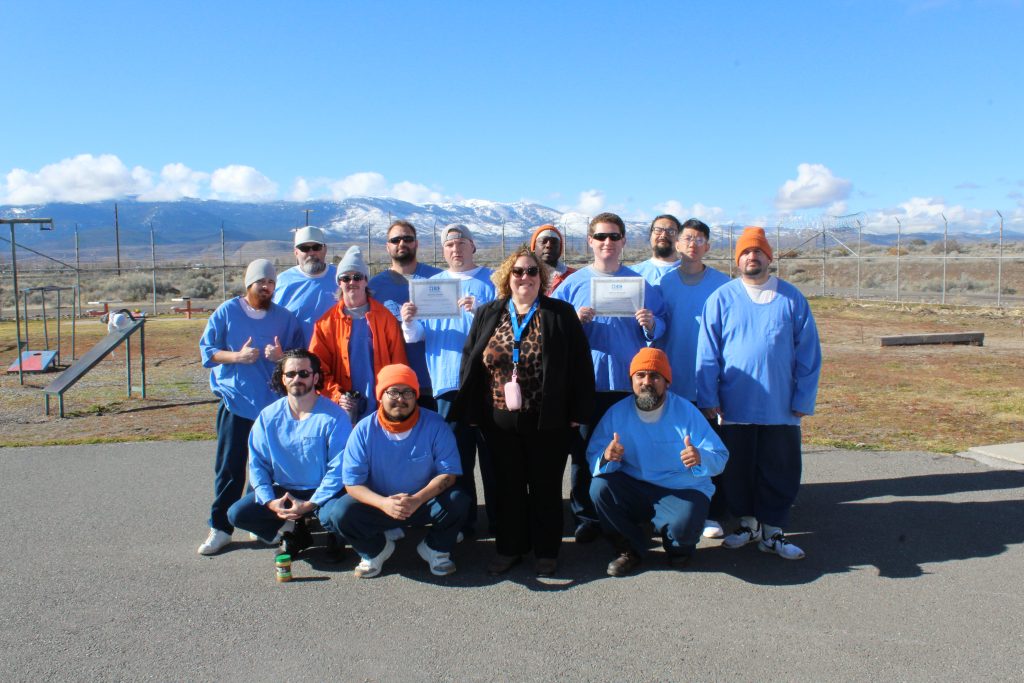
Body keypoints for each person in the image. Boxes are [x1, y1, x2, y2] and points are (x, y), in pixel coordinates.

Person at [453, 246, 595, 577]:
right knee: (507, 487)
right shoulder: (489, 313)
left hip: (549, 419)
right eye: (518, 271)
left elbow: (580, 365)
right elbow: (470, 360)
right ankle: (509, 548)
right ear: (507, 277)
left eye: (532, 271)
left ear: (541, 278)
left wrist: (578, 410)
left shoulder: (560, 314)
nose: (525, 277)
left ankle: (546, 551)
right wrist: (472, 409)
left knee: (545, 486)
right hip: (498, 420)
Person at [696, 226, 822, 560]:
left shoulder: (791, 297)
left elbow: (809, 353)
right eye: (746, 252)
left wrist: (803, 398)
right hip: (735, 405)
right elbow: (708, 353)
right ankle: (748, 525)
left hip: (781, 406)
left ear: (770, 257)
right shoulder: (722, 298)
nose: (753, 257)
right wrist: (708, 396)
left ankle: (774, 532)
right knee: (738, 470)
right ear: (738, 260)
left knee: (779, 468)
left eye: (759, 252)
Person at [551, 212, 667, 544]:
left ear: (623, 241)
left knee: (631, 449)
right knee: (586, 451)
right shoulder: (572, 285)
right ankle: (586, 515)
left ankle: (627, 511)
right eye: (601, 236)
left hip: (629, 384)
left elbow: (663, 326)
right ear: (590, 241)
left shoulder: (640, 284)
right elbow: (551, 331)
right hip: (588, 383)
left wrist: (650, 323)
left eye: (614, 237)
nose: (607, 243)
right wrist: (573, 320)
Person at [319, 364, 469, 578]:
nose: (401, 398)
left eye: (408, 392)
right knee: (340, 513)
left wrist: (416, 500)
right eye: (393, 391)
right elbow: (352, 483)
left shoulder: (435, 424)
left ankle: (436, 549)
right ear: (380, 395)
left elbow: (448, 474)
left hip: (421, 503)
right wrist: (384, 503)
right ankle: (375, 550)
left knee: (458, 500)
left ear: (416, 395)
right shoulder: (363, 429)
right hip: (379, 505)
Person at [588, 349, 728, 576]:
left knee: (681, 544)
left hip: (680, 489)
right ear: (631, 380)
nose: (647, 382)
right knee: (600, 488)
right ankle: (628, 549)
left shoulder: (686, 412)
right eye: (640, 375)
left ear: (667, 382)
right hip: (634, 486)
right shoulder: (616, 413)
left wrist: (700, 457)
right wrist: (606, 456)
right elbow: (593, 456)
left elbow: (720, 456)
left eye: (655, 376)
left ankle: (678, 545)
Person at [197, 259, 305, 555]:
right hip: (236, 402)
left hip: (271, 408)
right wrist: (237, 357)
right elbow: (207, 351)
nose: (267, 287)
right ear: (249, 284)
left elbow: (299, 355)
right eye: (262, 282)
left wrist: (281, 357)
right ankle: (220, 527)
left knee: (266, 471)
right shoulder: (228, 312)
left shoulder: (285, 317)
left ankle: (256, 523)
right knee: (230, 468)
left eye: (271, 283)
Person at [401, 224, 497, 536]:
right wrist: (409, 321)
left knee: (496, 457)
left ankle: (501, 521)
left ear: (473, 246)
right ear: (443, 251)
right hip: (448, 384)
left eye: (461, 243)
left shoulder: (492, 281)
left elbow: (508, 327)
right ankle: (465, 522)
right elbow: (417, 336)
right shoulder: (431, 286)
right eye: (449, 245)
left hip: (487, 383)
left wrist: (479, 311)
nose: (455, 249)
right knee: (458, 458)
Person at [226, 349, 352, 558]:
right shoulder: (267, 417)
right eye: (290, 374)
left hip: (326, 491)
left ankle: (334, 534)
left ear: (316, 377)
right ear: (282, 379)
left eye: (303, 373)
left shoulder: (335, 417)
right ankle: (292, 531)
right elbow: (258, 464)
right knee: (237, 514)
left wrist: (311, 503)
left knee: (340, 515)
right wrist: (270, 502)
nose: (297, 379)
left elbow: (339, 469)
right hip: (285, 490)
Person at [656, 217, 732, 538]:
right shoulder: (664, 284)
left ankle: (710, 513)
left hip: (708, 382)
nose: (693, 243)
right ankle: (675, 511)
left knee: (708, 449)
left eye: (700, 239)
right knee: (676, 449)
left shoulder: (724, 284)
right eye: (687, 238)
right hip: (674, 381)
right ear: (677, 243)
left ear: (708, 246)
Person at [310, 245, 407, 425]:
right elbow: (317, 369)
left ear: (365, 281)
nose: (351, 282)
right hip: (341, 409)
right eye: (346, 278)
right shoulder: (325, 323)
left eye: (357, 277)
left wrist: (394, 397)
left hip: (380, 404)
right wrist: (337, 396)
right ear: (339, 282)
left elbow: (398, 363)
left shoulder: (385, 319)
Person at [367, 220, 442, 409]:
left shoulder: (439, 279)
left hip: (434, 379)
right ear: (387, 246)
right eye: (395, 240)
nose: (402, 243)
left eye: (407, 238)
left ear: (416, 243)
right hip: (394, 383)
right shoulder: (374, 287)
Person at [273, 226, 337, 345]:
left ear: (325, 249)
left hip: (335, 359)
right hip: (295, 358)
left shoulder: (343, 279)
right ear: (296, 252)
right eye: (305, 248)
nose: (311, 253)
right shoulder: (282, 282)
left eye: (316, 247)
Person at [630, 214, 682, 286]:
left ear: (679, 238)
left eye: (671, 231)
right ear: (650, 235)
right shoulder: (632, 274)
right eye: (658, 230)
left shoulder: (692, 273)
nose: (663, 235)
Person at [529, 224, 576, 294]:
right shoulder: (521, 275)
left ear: (560, 248)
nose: (548, 245)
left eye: (554, 242)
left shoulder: (573, 277)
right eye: (543, 241)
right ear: (534, 247)